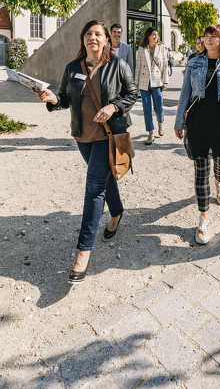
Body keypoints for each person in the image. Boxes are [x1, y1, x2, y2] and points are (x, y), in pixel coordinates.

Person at [34, 20, 137, 283]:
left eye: (98, 34)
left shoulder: (117, 65)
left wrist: (113, 107)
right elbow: (64, 98)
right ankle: (116, 212)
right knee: (103, 178)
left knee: (94, 187)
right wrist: (53, 100)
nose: (93, 37)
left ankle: (83, 251)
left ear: (106, 40)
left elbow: (132, 93)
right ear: (83, 39)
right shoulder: (72, 68)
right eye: (89, 33)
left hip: (108, 135)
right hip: (83, 137)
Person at [175, 24, 220, 244]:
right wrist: (179, 121)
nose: (210, 39)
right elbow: (186, 92)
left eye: (214, 36)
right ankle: (203, 217)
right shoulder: (194, 62)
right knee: (201, 167)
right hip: (198, 119)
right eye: (207, 35)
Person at [135, 27, 168, 145]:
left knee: (158, 107)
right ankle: (150, 133)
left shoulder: (162, 48)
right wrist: (136, 83)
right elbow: (138, 66)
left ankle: (160, 123)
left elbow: (165, 64)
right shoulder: (141, 48)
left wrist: (165, 81)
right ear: (148, 36)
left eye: (157, 34)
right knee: (146, 109)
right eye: (153, 34)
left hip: (157, 81)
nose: (156, 36)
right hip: (144, 82)